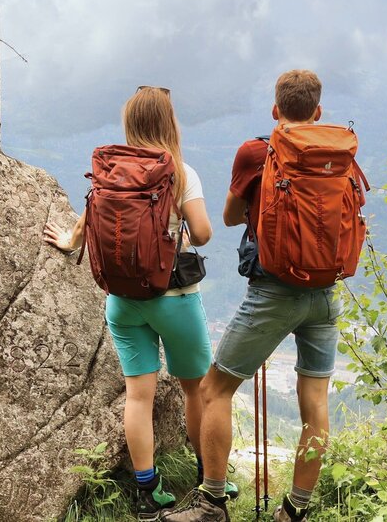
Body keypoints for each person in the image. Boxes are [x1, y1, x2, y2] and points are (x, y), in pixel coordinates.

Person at [44, 86, 233, 522]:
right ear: (169, 123)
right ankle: (209, 482)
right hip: (175, 299)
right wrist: (177, 233)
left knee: (138, 397)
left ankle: (148, 496)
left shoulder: (112, 169)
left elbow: (89, 218)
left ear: (130, 124)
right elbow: (203, 234)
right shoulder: (180, 172)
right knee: (197, 390)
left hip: (122, 301)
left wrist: (69, 240)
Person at [162, 70, 341, 522]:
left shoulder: (257, 150)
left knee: (214, 389)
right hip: (326, 292)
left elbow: (226, 217)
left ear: (275, 110)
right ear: (318, 112)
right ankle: (294, 512)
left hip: (274, 291)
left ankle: (212, 507)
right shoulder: (338, 152)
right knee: (315, 406)